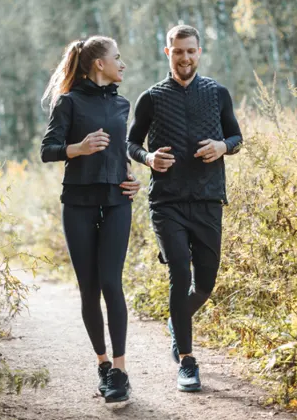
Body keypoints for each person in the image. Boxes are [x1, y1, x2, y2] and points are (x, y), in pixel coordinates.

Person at [126, 24, 243, 392]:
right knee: (180, 272)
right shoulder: (152, 98)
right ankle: (188, 363)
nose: (185, 58)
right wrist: (148, 158)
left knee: (205, 283)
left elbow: (236, 136)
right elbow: (131, 143)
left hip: (209, 199)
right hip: (167, 201)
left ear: (199, 51)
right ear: (167, 53)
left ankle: (178, 322)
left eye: (191, 51)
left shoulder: (217, 93)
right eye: (178, 51)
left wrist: (223, 147)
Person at [40, 36, 140, 403]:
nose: (122, 63)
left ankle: (120, 371)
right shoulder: (68, 103)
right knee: (89, 289)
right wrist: (78, 149)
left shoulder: (122, 103)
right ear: (99, 64)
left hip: (117, 201)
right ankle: (102, 363)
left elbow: (120, 152)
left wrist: (132, 177)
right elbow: (47, 150)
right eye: (117, 57)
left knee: (112, 283)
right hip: (79, 203)